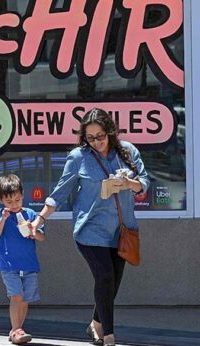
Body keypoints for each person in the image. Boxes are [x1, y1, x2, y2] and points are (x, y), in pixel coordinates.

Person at [29, 108, 149, 346]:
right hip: (89, 230)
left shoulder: (127, 152)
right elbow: (60, 192)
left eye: (100, 136)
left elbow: (144, 183)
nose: (96, 142)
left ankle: (95, 322)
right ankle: (109, 336)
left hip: (121, 231)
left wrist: (129, 183)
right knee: (104, 277)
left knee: (111, 282)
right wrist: (40, 220)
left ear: (110, 132)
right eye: (90, 138)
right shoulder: (78, 157)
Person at [0, 174, 45, 344]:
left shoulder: (30, 213)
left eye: (18, 200)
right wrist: (3, 219)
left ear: (23, 196)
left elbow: (42, 237)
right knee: (16, 296)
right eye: (9, 202)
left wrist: (33, 230)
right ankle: (15, 330)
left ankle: (18, 329)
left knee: (26, 298)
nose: (14, 205)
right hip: (8, 264)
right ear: (1, 200)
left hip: (29, 264)